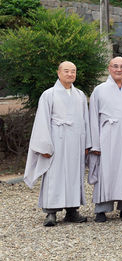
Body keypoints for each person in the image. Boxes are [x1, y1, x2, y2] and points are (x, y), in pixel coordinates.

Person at [24, 61, 91, 227]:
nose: (70, 74)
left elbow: (85, 121)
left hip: (75, 140)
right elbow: (42, 121)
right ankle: (51, 212)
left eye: (73, 71)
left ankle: (72, 210)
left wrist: (87, 144)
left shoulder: (80, 95)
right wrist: (44, 146)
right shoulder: (49, 94)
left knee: (75, 174)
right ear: (58, 73)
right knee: (54, 174)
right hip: (56, 139)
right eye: (66, 71)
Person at [88, 57, 122, 223]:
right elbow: (92, 117)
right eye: (115, 66)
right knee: (106, 171)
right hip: (107, 135)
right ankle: (102, 209)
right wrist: (95, 143)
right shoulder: (99, 89)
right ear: (109, 68)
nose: (119, 69)